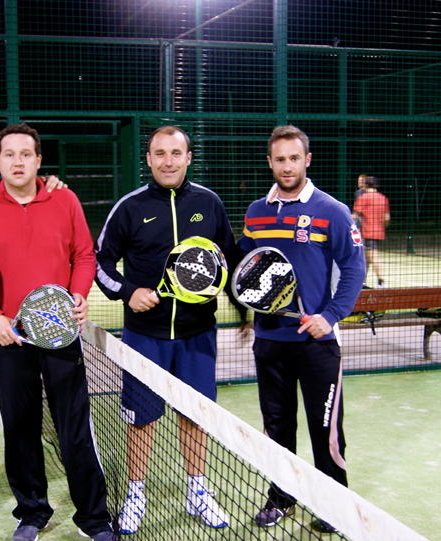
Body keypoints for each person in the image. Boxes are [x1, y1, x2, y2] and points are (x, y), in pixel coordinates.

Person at [0, 124, 117, 541]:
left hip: (59, 333)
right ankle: (31, 512)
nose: (18, 161)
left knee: (75, 427)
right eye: (9, 154)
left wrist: (79, 295)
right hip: (8, 337)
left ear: (38, 160)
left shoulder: (64, 199)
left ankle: (93, 518)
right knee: (20, 427)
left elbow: (84, 254)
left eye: (26, 154)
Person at [94, 125, 244, 534]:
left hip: (198, 336)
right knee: (141, 418)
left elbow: (229, 263)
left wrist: (248, 310)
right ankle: (135, 493)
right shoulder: (129, 207)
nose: (168, 161)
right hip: (145, 337)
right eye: (159, 154)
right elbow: (99, 263)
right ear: (148, 159)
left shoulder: (209, 203)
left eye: (176, 153)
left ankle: (198, 490)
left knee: (195, 416)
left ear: (188, 157)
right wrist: (128, 292)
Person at [238, 125, 366, 534]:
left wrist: (329, 316)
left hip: (317, 344)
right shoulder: (256, 212)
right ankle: (282, 497)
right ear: (270, 162)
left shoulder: (332, 210)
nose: (287, 166)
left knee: (325, 430)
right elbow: (247, 266)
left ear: (307, 160)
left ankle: (332, 504)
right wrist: (246, 314)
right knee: (276, 427)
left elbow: (354, 268)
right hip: (270, 342)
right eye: (280, 159)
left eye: (295, 158)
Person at [353, 175, 390, 288]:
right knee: (366, 257)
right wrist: (382, 227)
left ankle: (380, 281)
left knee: (373, 256)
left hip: (366, 231)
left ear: (366, 185)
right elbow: (387, 218)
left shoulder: (363, 197)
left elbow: (355, 215)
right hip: (378, 230)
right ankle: (363, 282)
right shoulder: (383, 198)